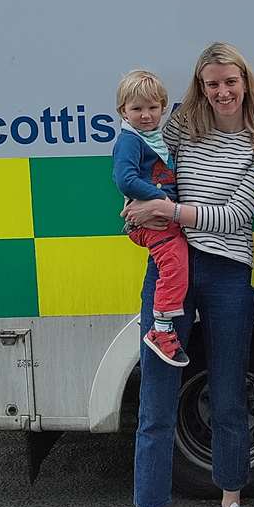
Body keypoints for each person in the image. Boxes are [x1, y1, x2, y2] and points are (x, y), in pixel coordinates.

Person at [120, 43, 254, 507]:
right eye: (212, 84)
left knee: (230, 395)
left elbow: (236, 216)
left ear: (245, 82)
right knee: (157, 401)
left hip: (229, 275)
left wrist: (166, 210)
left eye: (230, 81)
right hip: (170, 274)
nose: (222, 91)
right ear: (200, 87)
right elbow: (144, 162)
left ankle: (232, 505)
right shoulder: (181, 128)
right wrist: (136, 212)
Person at [111, 69, 190, 368]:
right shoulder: (130, 141)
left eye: (153, 108)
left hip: (160, 216)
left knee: (176, 262)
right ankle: (161, 329)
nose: (146, 115)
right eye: (137, 109)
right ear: (123, 111)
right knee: (175, 262)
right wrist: (163, 201)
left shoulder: (152, 137)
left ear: (163, 108)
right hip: (154, 219)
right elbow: (125, 179)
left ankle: (164, 327)